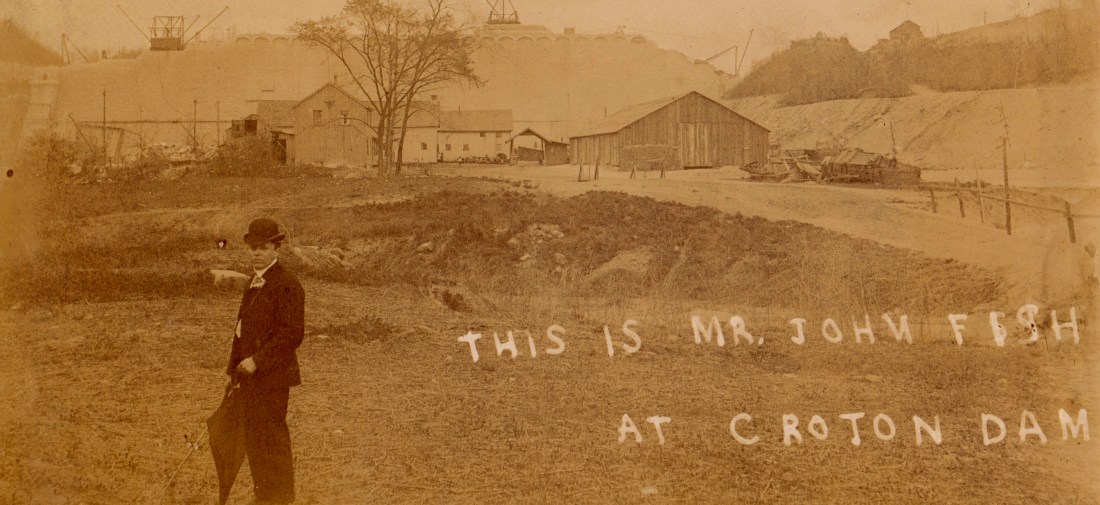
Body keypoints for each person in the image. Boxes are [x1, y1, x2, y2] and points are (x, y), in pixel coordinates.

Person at [227, 217, 305, 504]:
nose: (257, 253)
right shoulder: (253, 282)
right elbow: (240, 330)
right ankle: (264, 494)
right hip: (249, 375)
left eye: (263, 247)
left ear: (276, 248)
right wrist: (231, 371)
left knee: (272, 436)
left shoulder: (287, 284)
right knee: (254, 436)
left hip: (273, 375)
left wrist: (258, 360)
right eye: (253, 248)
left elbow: (292, 334)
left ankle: (281, 498)